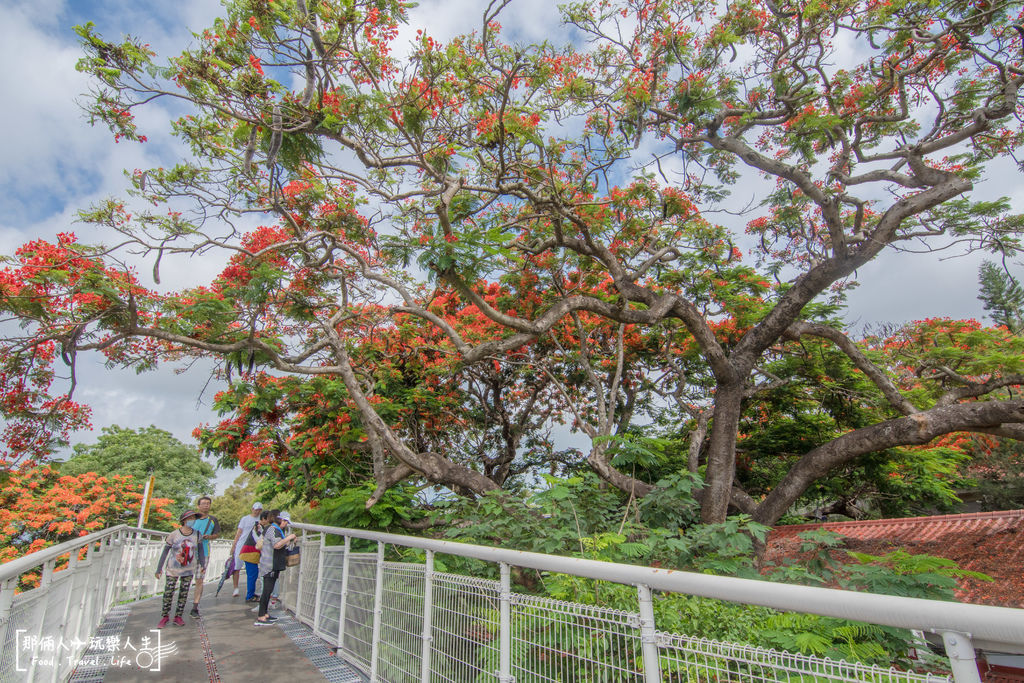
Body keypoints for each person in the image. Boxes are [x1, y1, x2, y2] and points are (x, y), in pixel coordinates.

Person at [155, 510, 206, 628]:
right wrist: (159, 569)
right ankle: (165, 616)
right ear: (183, 520)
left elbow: (201, 551)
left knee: (184, 593)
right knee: (168, 592)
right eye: (189, 518)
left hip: (188, 569)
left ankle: (178, 616)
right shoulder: (174, 534)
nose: (192, 520)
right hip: (173, 568)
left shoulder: (197, 534)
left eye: (194, 518)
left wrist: (203, 565)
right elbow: (165, 552)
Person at [254, 509, 295, 627]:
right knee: (267, 590)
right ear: (280, 519)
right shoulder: (272, 530)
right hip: (269, 565)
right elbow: (277, 545)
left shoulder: (276, 530)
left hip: (273, 564)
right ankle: (261, 616)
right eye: (285, 521)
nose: (286, 524)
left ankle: (265, 614)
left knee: (269, 589)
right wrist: (290, 537)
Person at [188, 495, 221, 618]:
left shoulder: (213, 520)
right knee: (186, 578)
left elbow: (217, 534)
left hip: (204, 553)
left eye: (208, 503)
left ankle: (195, 606)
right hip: (189, 552)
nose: (206, 505)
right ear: (198, 506)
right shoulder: (191, 518)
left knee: (199, 579)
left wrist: (210, 537)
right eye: (204, 503)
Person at [229, 502, 262, 598]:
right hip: (242, 544)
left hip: (252, 546)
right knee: (237, 567)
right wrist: (234, 545)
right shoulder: (245, 519)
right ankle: (235, 588)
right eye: (256, 509)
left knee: (252, 569)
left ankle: (251, 591)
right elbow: (239, 532)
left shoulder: (261, 520)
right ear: (252, 509)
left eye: (259, 510)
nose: (257, 511)